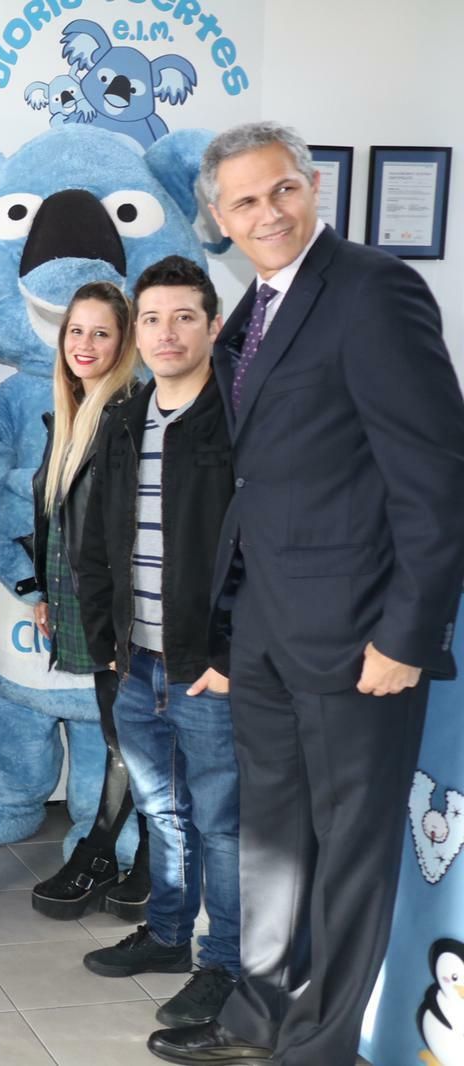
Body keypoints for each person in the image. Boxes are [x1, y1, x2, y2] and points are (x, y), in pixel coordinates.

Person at [147, 122, 464, 1066]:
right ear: (218, 218)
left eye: (282, 189)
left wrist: (407, 635)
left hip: (359, 636)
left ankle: (319, 1048)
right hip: (267, 637)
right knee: (274, 845)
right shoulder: (254, 308)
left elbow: (435, 479)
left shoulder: (373, 291)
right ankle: (258, 1016)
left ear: (312, 186)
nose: (269, 213)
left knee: (350, 855)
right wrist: (229, 630)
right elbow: (256, 483)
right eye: (245, 201)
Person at [73, 256, 242, 1033]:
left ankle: (225, 967)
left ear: (213, 325)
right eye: (151, 318)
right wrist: (106, 641)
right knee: (163, 812)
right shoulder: (124, 419)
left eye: (183, 317)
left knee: (223, 823)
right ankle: (170, 935)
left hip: (207, 668)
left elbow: (261, 549)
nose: (166, 332)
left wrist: (231, 656)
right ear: (135, 332)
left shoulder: (237, 420)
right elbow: (97, 544)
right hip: (135, 662)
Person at [26, 282, 151, 922]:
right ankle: (137, 861)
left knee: (132, 738)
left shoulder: (130, 414)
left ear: (124, 342)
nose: (85, 344)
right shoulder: (72, 411)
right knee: (123, 733)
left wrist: (120, 619)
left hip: (124, 612)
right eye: (76, 330)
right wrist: (45, 590)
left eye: (102, 333)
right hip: (82, 600)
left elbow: (135, 533)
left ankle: (111, 855)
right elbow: (60, 518)